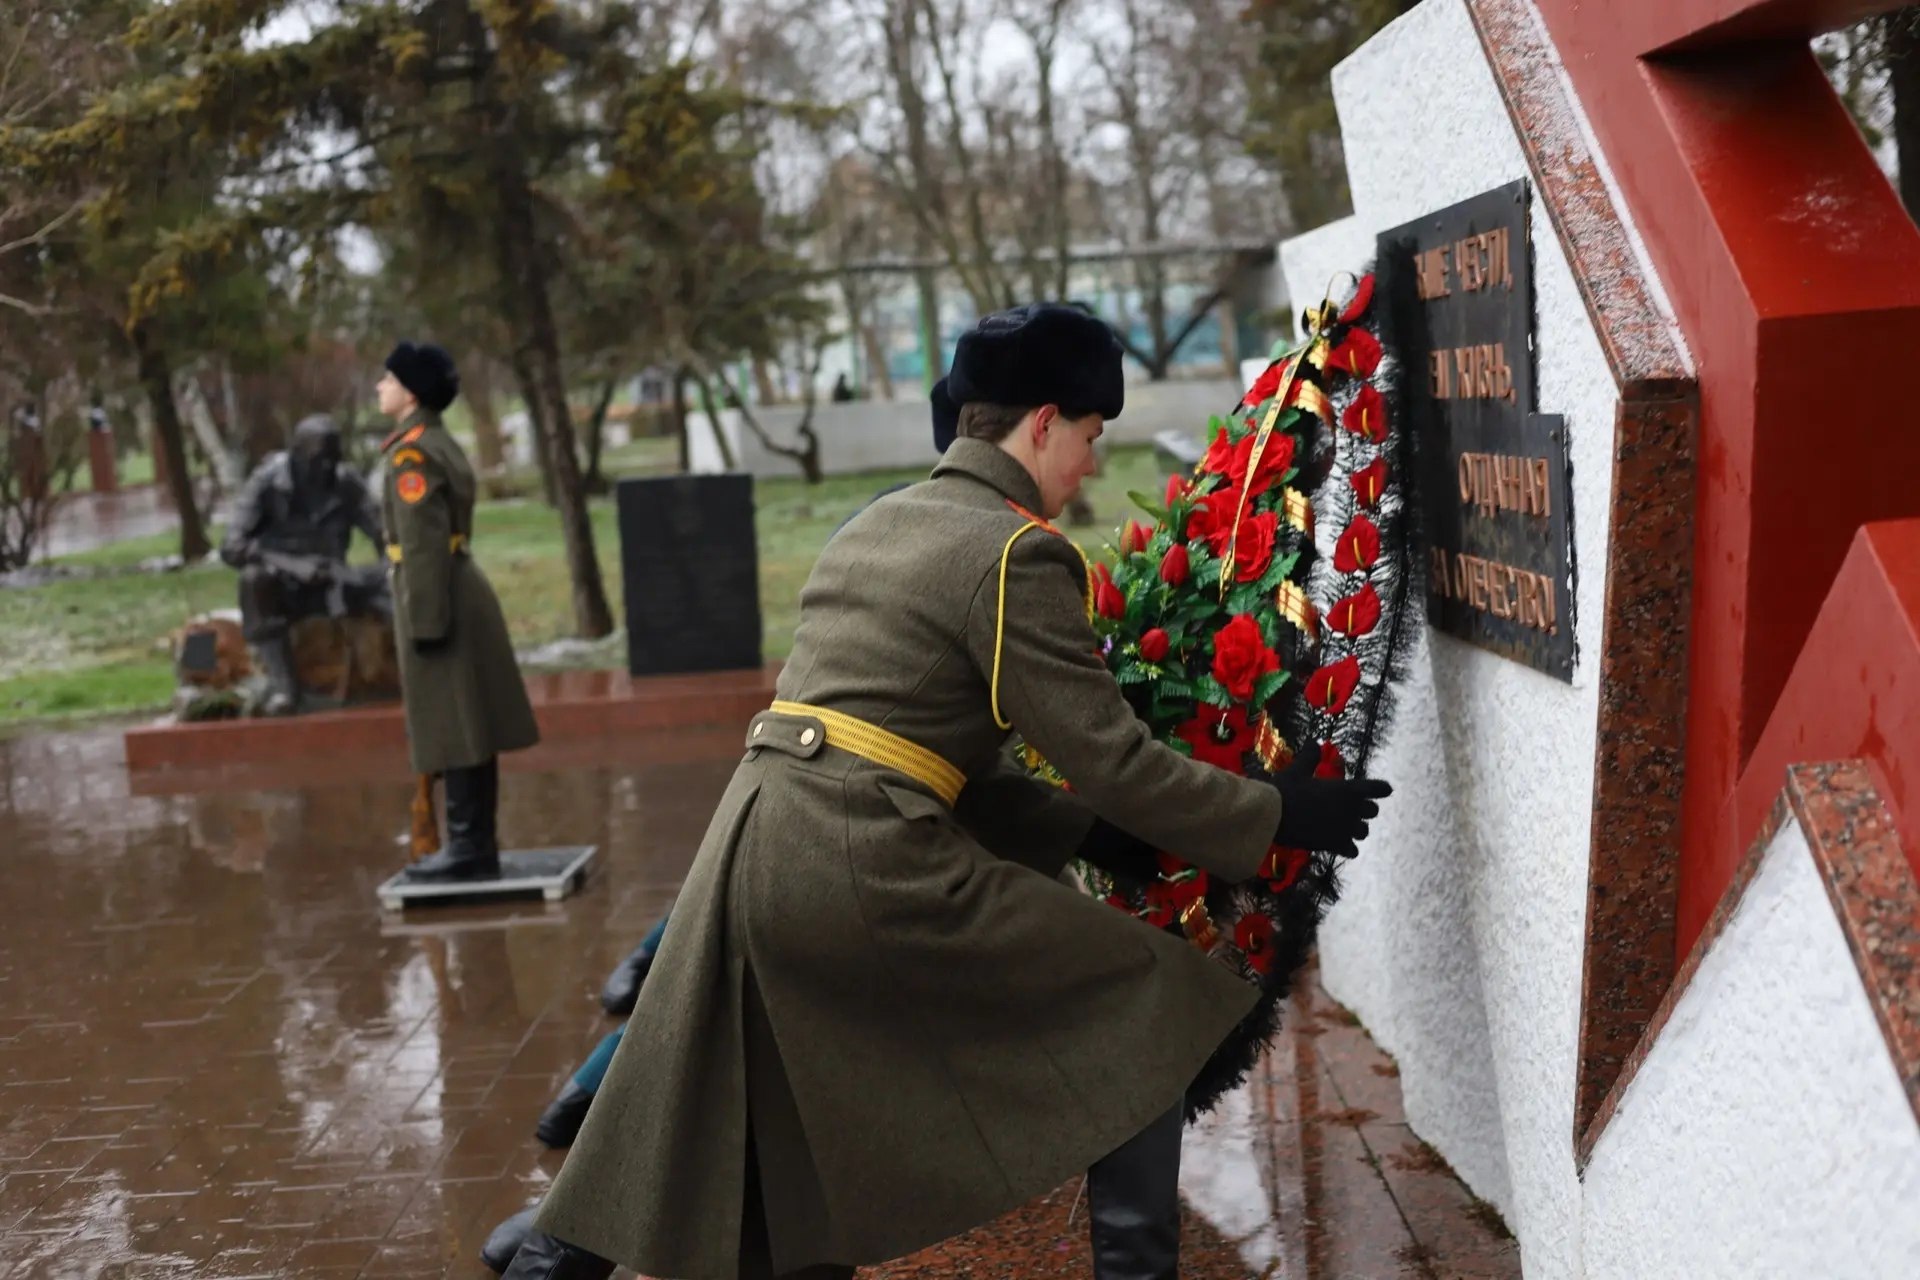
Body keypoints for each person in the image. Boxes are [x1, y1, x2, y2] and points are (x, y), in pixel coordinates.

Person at [505, 305, 1390, 1280]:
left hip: (756, 843)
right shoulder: (1020, 551)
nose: (1091, 465)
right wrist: (1275, 813)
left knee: (778, 1088)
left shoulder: (879, 522)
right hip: (865, 859)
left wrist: (1094, 835)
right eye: (1092, 439)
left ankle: (558, 1255)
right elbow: (1113, 756)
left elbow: (907, 743)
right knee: (1152, 1001)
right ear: (1044, 422)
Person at [376, 342, 541, 883]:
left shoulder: (411, 454)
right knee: (467, 720)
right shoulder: (433, 442)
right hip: (456, 585)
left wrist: (423, 620)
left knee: (454, 722)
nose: (380, 387)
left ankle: (469, 847)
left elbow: (421, 544)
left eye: (388, 379)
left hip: (436, 593)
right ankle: (474, 842)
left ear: (411, 392)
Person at [218, 415, 389, 715]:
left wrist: (387, 563)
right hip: (285, 588)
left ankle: (414, 671)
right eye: (318, 461)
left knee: (394, 578)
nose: (326, 469)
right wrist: (292, 565)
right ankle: (286, 688)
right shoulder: (267, 482)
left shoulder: (344, 481)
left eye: (332, 461)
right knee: (254, 580)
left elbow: (383, 532)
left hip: (333, 583)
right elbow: (231, 547)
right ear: (296, 454)